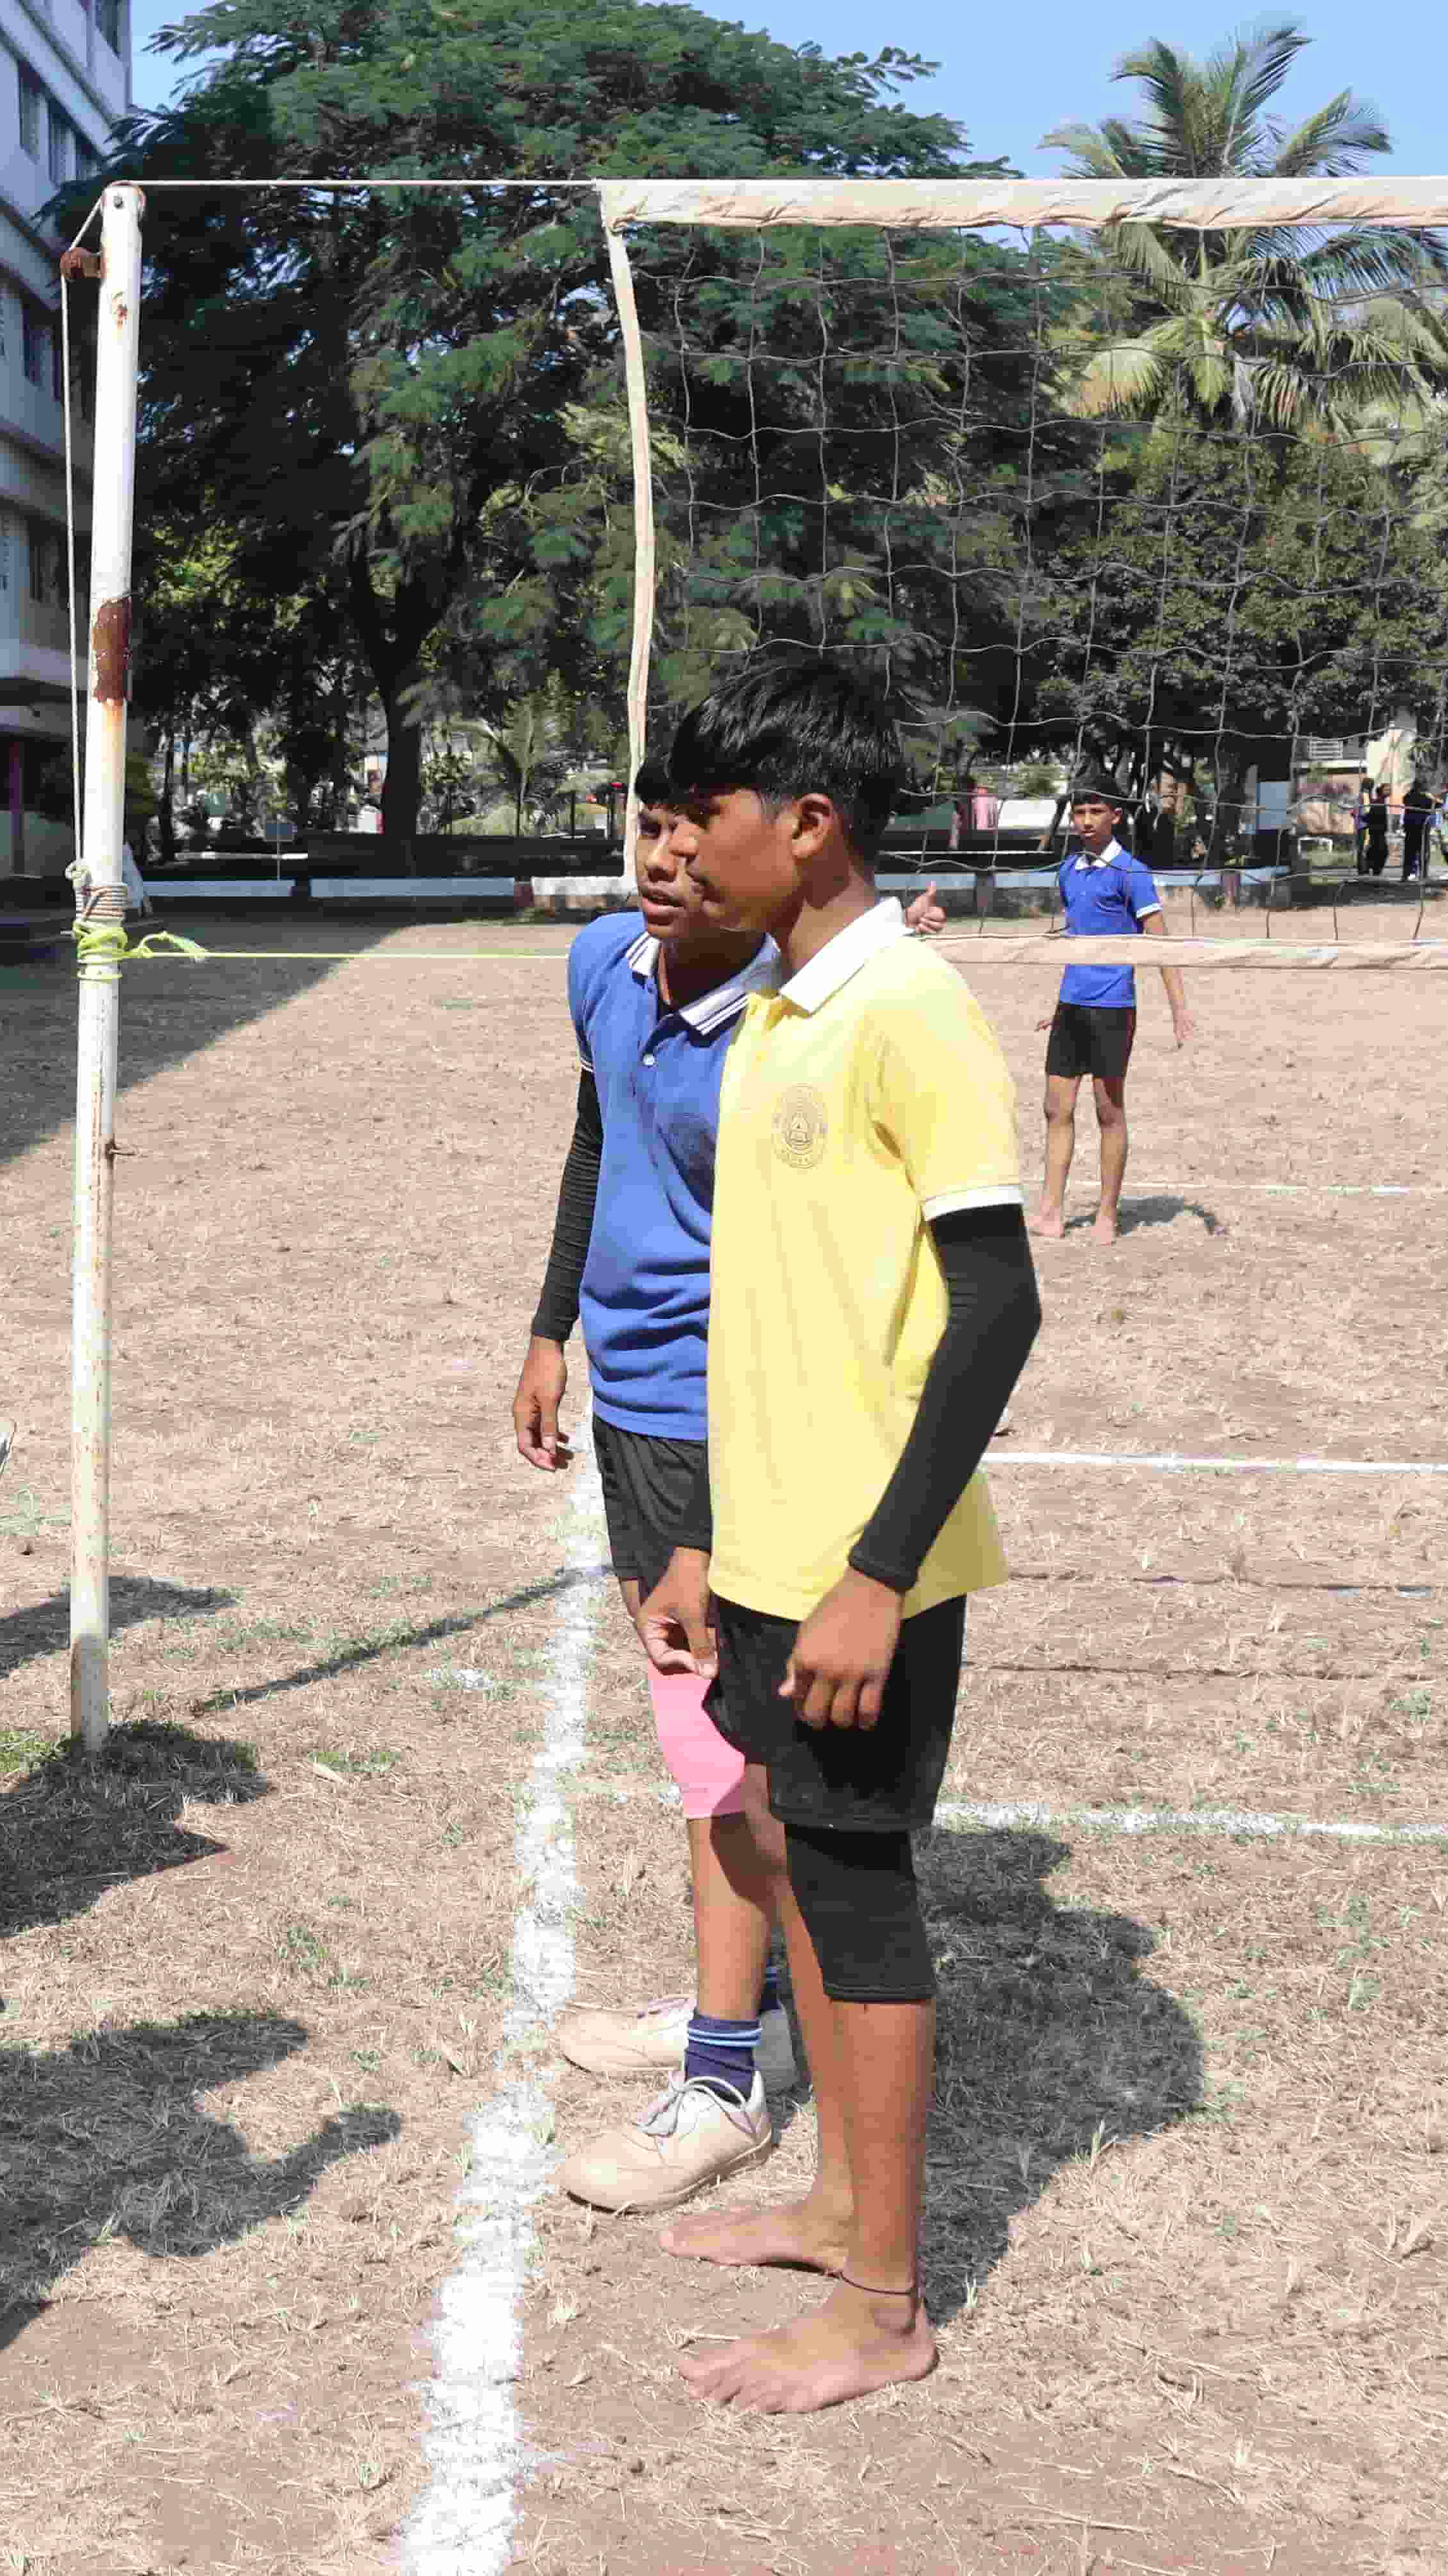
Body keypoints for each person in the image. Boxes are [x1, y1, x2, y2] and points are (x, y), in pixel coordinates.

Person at [637, 653, 1042, 2414]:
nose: (673, 845)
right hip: (771, 1557)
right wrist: (710, 1544)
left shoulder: (909, 1008)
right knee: (800, 1854)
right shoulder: (780, 1007)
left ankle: (886, 2302)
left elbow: (999, 1306)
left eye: (702, 817)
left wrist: (877, 1571)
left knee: (861, 1896)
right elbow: (780, 1316)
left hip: (871, 1569)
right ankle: (836, 2205)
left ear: (807, 828)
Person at [510, 762, 794, 2213]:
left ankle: (732, 2071)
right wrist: (552, 1329)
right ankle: (728, 2001)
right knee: (704, 1746)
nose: (667, 856)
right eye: (648, 826)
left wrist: (727, 1487)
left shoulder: (787, 1023)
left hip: (725, 1420)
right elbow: (594, 1136)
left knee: (729, 1749)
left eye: (696, 830)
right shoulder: (597, 965)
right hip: (630, 1407)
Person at [1032, 774, 1192, 1247]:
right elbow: (1077, 939)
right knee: (1055, 1107)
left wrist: (1178, 1009)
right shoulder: (1068, 871)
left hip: (1113, 1007)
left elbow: (1161, 945)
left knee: (1108, 1111)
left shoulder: (1132, 873)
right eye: (1079, 813)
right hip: (1071, 1006)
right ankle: (1051, 1212)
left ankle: (1106, 1215)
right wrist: (1055, 1003)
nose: (1085, 822)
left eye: (1095, 812)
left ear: (1115, 816)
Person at [1398, 779, 1438, 887]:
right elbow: (1439, 804)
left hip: (1410, 828)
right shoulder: (1425, 798)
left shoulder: (1408, 797)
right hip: (1422, 829)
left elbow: (1405, 798)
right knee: (1423, 853)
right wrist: (1431, 797)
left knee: (1409, 853)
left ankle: (1405, 876)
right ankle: (1423, 876)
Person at [1358, 779, 1389, 879]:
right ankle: (1370, 869)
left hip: (1378, 830)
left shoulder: (1381, 802)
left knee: (1377, 851)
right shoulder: (1378, 802)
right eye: (1387, 789)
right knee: (1379, 851)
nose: (1389, 791)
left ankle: (1371, 869)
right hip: (1376, 830)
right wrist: (1361, 817)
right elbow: (1369, 814)